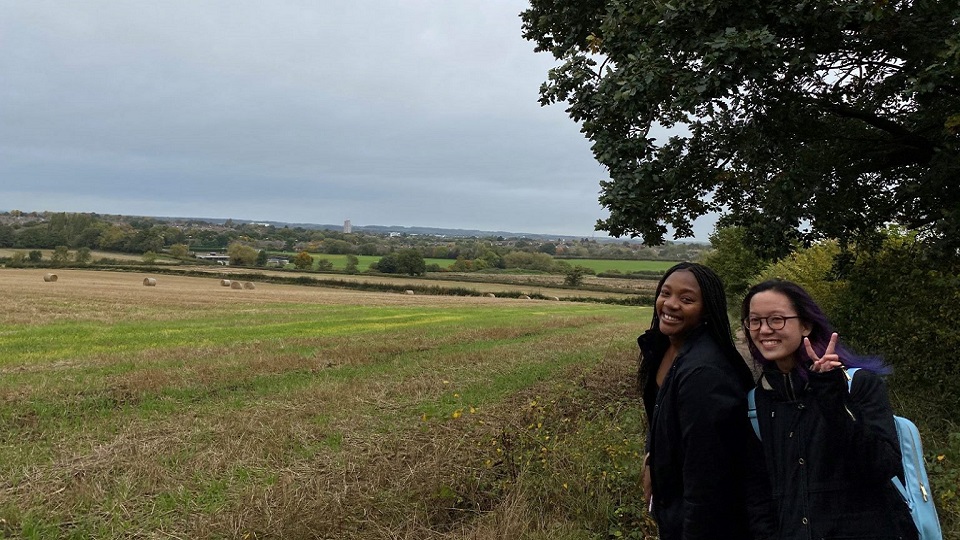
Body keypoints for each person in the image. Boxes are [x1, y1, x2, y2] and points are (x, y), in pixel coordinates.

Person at [741, 279, 918, 540]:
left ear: (806, 325)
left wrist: (830, 396)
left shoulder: (856, 385)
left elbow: (882, 465)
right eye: (755, 321)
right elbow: (758, 492)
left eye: (777, 320)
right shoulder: (758, 402)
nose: (764, 330)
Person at [637, 262, 764, 539]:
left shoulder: (704, 375)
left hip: (703, 522)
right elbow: (660, 417)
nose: (670, 304)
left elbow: (707, 477)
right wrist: (652, 459)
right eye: (665, 293)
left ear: (706, 310)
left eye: (686, 299)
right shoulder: (663, 348)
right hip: (674, 508)